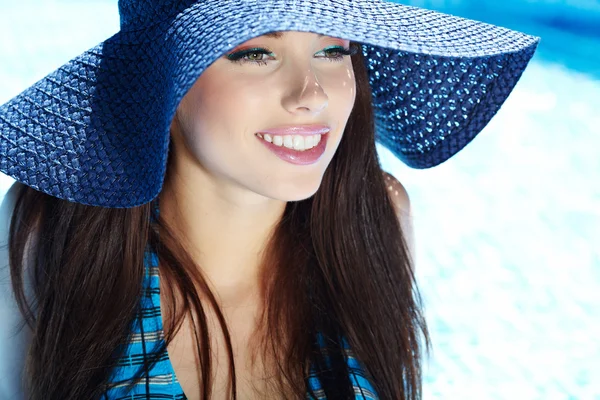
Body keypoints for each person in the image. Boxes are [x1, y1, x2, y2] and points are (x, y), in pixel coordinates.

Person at [0, 0, 540, 399]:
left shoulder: (378, 219)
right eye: (257, 53)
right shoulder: (51, 230)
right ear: (166, 80)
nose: (312, 93)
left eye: (333, 50)